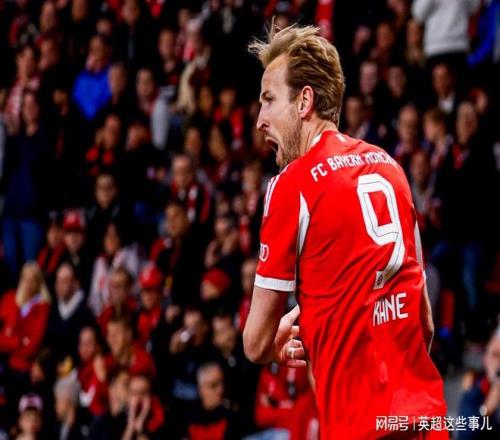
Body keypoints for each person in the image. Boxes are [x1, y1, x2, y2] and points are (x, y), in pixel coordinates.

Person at [243, 24, 447, 439]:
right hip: (427, 420)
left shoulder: (291, 185)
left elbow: (256, 343)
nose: (260, 120)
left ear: (304, 102)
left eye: (269, 100)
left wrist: (275, 342)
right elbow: (423, 322)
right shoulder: (391, 167)